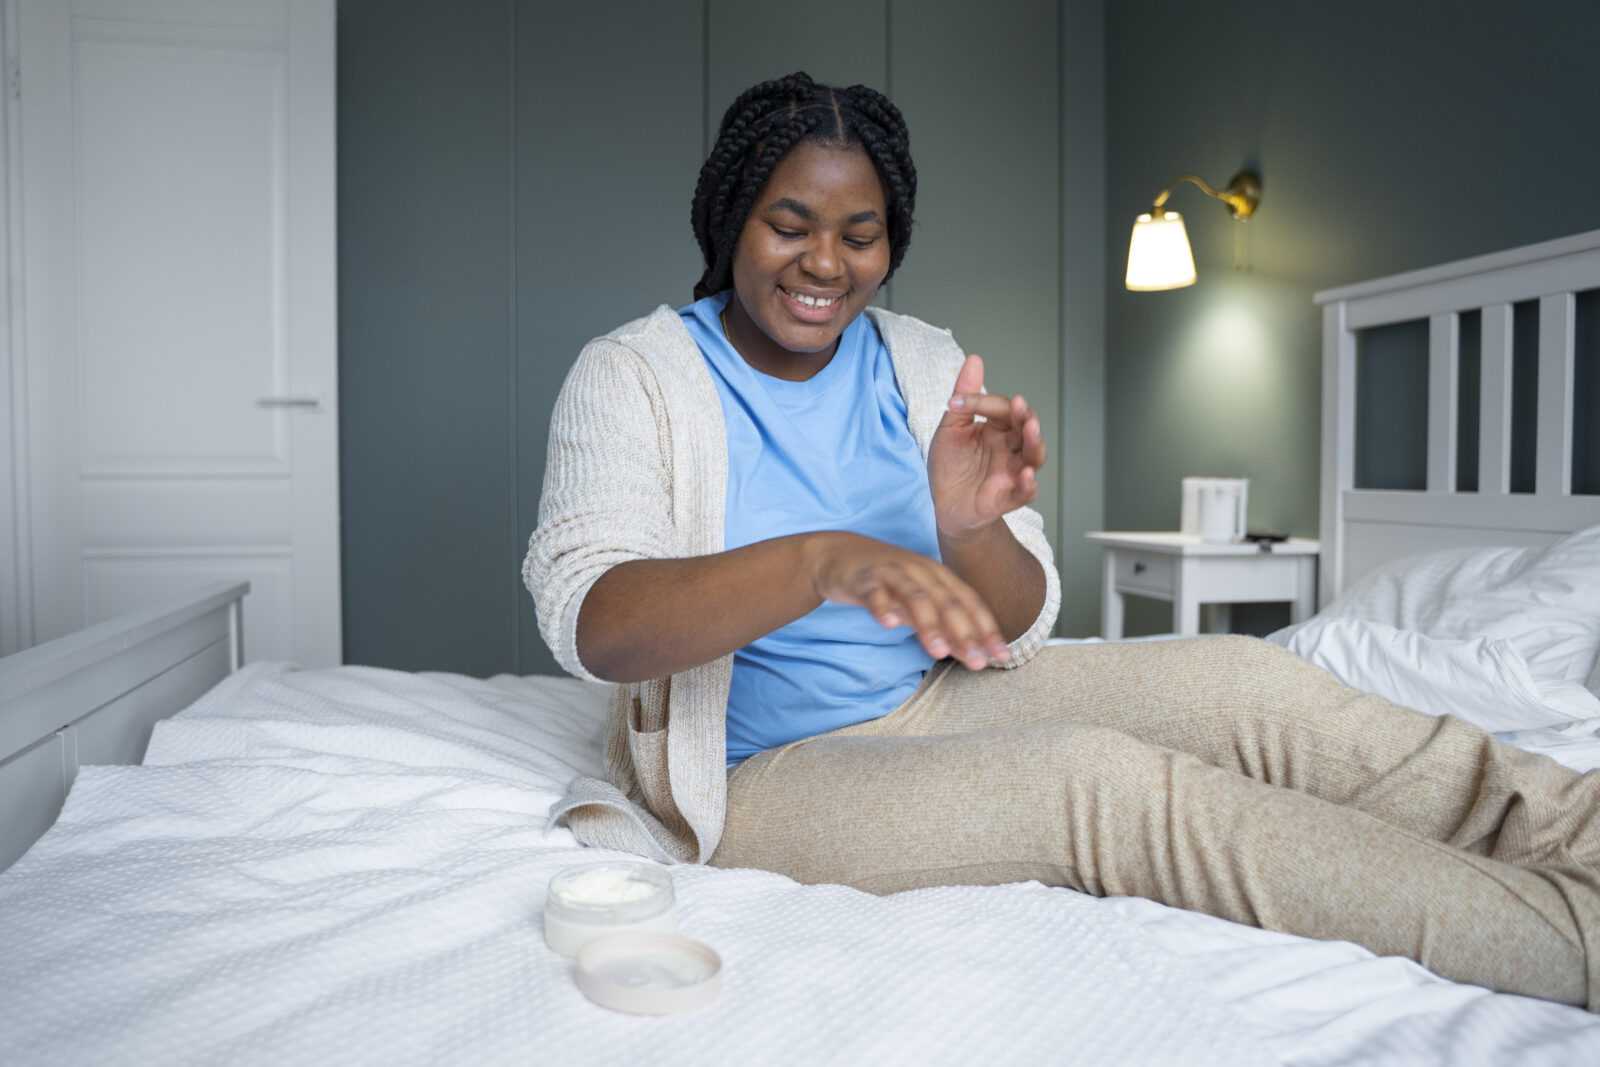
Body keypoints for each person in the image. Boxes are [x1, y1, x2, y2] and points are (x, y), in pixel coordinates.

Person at [525, 72, 1600, 1011]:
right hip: (766, 770)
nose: (827, 263)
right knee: (1104, 783)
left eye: (862, 235)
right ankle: (1568, 942)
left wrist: (967, 523)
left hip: (940, 696)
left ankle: (1576, 826)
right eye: (788, 223)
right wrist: (820, 558)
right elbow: (597, 623)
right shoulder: (635, 374)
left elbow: (1015, 620)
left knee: (1244, 678)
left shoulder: (919, 361)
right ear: (729, 221)